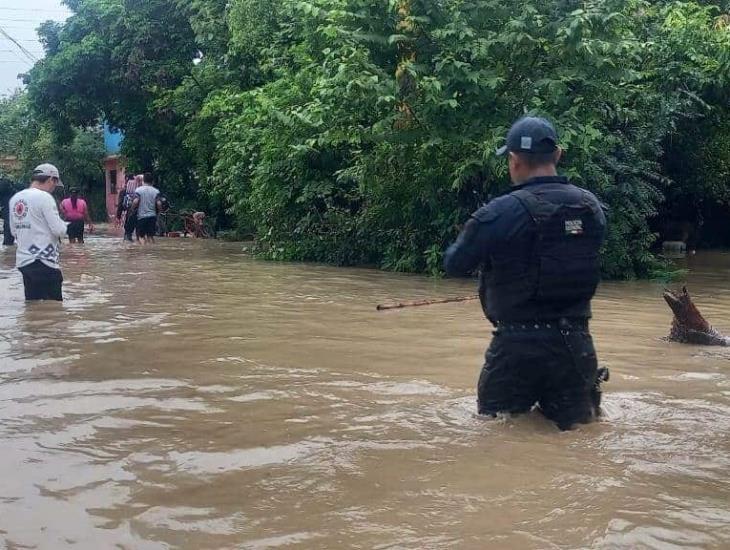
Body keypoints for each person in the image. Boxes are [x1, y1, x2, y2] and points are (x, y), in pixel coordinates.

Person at [444, 117, 608, 431]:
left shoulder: (499, 212)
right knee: (579, 438)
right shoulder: (592, 208)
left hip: (516, 348)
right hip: (576, 344)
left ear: (514, 161)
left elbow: (454, 263)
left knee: (496, 436)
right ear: (558, 155)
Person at [9, 163, 69, 301]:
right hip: (44, 262)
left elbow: (14, 231)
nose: (54, 188)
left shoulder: (15, 199)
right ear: (50, 180)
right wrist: (65, 226)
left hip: (24, 263)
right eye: (55, 184)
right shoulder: (45, 197)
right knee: (54, 313)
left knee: (34, 309)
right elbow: (58, 230)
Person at [131, 172, 161, 244]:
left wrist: (132, 209)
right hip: (152, 217)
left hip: (142, 217)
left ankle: (144, 251)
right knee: (150, 236)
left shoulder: (138, 190)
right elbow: (159, 203)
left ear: (143, 181)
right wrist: (159, 212)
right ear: (152, 181)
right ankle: (152, 251)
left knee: (141, 236)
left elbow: (135, 201)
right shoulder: (156, 191)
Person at [117, 175, 139, 242]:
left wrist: (118, 216)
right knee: (140, 236)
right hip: (140, 216)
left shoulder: (124, 191)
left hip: (130, 215)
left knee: (127, 235)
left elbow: (120, 204)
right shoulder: (140, 191)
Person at [1, 176, 19, 246]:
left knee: (8, 225)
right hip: (13, 206)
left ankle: (8, 245)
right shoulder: (7, 184)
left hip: (7, 206)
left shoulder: (4, 184)